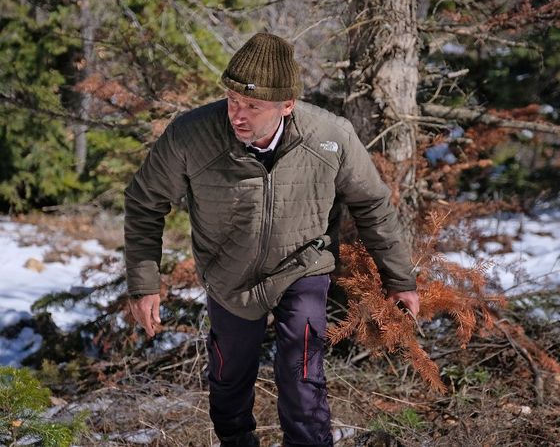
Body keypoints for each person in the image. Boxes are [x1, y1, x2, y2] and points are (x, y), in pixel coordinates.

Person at [124, 32, 420, 447]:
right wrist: (144, 283)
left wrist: (400, 279)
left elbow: (372, 204)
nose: (237, 115)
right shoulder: (191, 136)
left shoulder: (330, 136)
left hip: (303, 265)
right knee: (229, 380)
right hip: (229, 276)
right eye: (232, 100)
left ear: (286, 105)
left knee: (303, 375)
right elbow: (144, 202)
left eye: (252, 106)